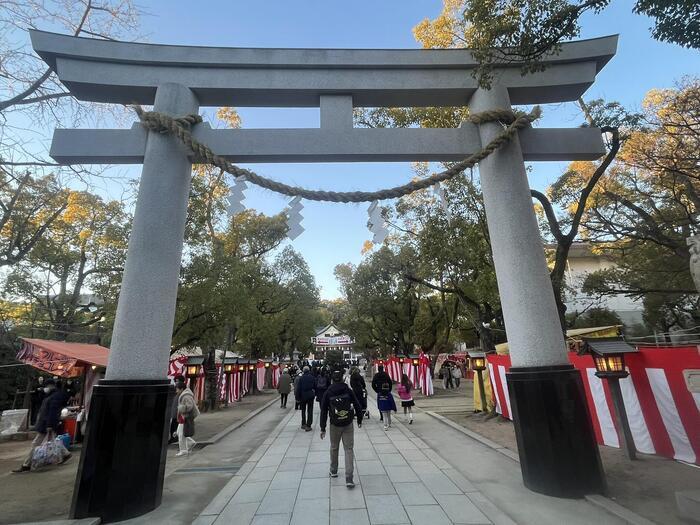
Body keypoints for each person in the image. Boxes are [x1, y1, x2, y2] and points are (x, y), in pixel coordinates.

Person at [13, 378, 70, 473]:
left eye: (46, 386)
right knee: (53, 441)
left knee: (35, 444)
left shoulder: (53, 397)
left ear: (51, 386)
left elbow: (52, 411)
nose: (45, 388)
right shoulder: (51, 396)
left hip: (46, 424)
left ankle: (26, 464)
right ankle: (65, 454)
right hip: (47, 423)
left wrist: (49, 424)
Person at [320, 369, 363, 488]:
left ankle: (333, 470)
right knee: (348, 449)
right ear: (343, 378)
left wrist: (322, 427)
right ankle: (349, 478)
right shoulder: (347, 390)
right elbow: (357, 404)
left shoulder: (328, 392)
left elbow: (323, 410)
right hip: (348, 423)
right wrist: (359, 419)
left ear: (332, 379)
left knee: (334, 447)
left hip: (334, 424)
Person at [175, 377, 199, 457]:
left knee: (181, 434)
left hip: (185, 416)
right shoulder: (185, 394)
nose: (176, 391)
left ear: (181, 389)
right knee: (180, 433)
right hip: (184, 416)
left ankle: (184, 450)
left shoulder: (186, 395)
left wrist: (181, 408)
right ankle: (190, 443)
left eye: (177, 389)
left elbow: (190, 406)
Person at [372, 365, 396, 430]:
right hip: (386, 390)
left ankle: (382, 416)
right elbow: (390, 382)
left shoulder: (376, 375)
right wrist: (389, 390)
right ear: (383, 369)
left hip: (379, 391)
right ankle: (389, 423)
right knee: (388, 407)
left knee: (381, 404)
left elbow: (373, 384)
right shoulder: (386, 374)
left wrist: (376, 390)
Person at [295, 366, 316, 431]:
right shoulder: (312, 377)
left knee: (303, 410)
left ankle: (303, 423)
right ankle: (309, 425)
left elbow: (298, 388)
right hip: (310, 395)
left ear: (303, 371)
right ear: (309, 370)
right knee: (310, 410)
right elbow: (315, 386)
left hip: (303, 395)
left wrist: (297, 397)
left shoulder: (301, 378)